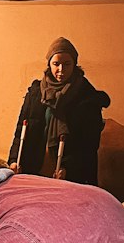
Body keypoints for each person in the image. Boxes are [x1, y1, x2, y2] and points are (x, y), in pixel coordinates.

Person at [8, 36, 110, 185]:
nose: (61, 70)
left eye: (67, 64)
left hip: (69, 174)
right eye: (56, 64)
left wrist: (69, 167)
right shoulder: (36, 92)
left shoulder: (87, 98)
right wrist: (13, 160)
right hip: (35, 169)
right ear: (49, 63)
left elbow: (89, 143)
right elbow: (21, 130)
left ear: (74, 64)